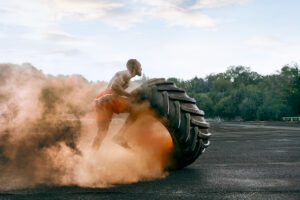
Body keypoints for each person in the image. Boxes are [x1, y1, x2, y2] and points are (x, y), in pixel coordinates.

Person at [92, 59, 142, 149]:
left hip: (103, 100)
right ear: (135, 67)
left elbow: (117, 89)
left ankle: (90, 157)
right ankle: (120, 135)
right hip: (109, 98)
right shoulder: (127, 74)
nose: (141, 68)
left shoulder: (126, 76)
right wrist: (129, 95)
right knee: (137, 109)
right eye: (140, 66)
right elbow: (115, 86)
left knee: (102, 133)